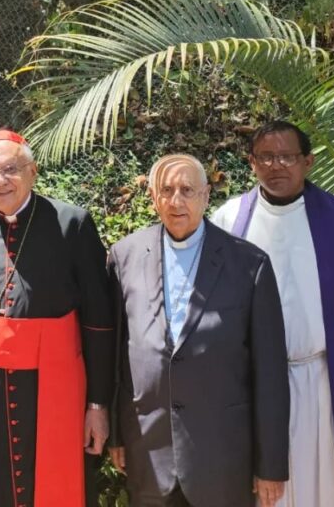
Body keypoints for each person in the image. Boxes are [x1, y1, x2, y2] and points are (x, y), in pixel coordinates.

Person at [0, 129, 114, 507]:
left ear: (33, 171)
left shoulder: (71, 224)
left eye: (10, 169)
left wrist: (98, 405)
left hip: (53, 388)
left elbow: (99, 323)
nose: (0, 181)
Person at [211, 121, 334, 507]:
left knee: (330, 490)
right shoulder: (227, 221)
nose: (277, 166)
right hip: (253, 386)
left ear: (308, 161)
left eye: (287, 156)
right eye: (266, 157)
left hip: (325, 383)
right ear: (251, 163)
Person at [109, 154, 289, 507]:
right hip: (148, 453)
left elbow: (270, 374)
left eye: (187, 190)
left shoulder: (249, 264)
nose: (176, 201)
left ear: (206, 196)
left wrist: (271, 465)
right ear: (153, 198)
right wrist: (117, 435)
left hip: (222, 460)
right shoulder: (124, 256)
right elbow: (116, 355)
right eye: (167, 190)